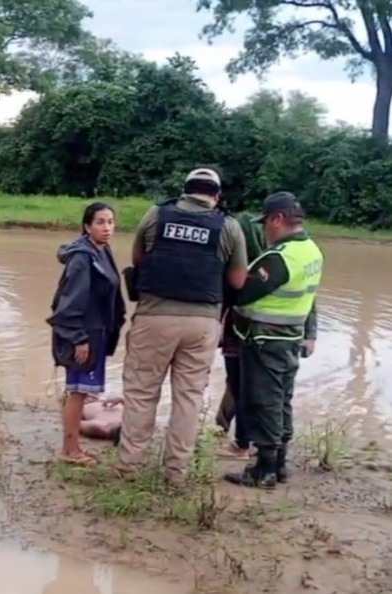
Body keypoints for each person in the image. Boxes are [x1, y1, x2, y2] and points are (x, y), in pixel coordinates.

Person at [115, 168, 248, 486]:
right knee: (188, 398)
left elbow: (138, 258)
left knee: (141, 393)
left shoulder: (156, 214)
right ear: (216, 195)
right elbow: (238, 280)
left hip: (154, 317)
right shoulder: (229, 225)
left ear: (185, 190)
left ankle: (129, 468)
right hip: (202, 323)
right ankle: (176, 473)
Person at [224, 192, 322, 489]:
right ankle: (279, 464)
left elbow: (243, 293)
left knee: (263, 402)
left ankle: (263, 471)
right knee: (282, 401)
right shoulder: (311, 250)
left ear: (278, 219)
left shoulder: (279, 258)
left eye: (266, 222)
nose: (264, 228)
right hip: (290, 339)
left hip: (265, 340)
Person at [47, 202, 126, 465]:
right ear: (87, 226)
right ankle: (69, 451)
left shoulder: (101, 251)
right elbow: (68, 305)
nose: (107, 228)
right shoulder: (82, 258)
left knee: (81, 391)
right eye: (100, 222)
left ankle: (74, 446)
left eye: (110, 222)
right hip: (84, 335)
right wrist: (78, 339)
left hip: (97, 333)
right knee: (77, 391)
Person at [215, 207, 268, 460]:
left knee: (238, 383)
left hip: (238, 331)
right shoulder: (269, 265)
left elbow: (226, 295)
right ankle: (232, 429)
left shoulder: (238, 268)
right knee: (247, 384)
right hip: (261, 333)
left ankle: (241, 441)